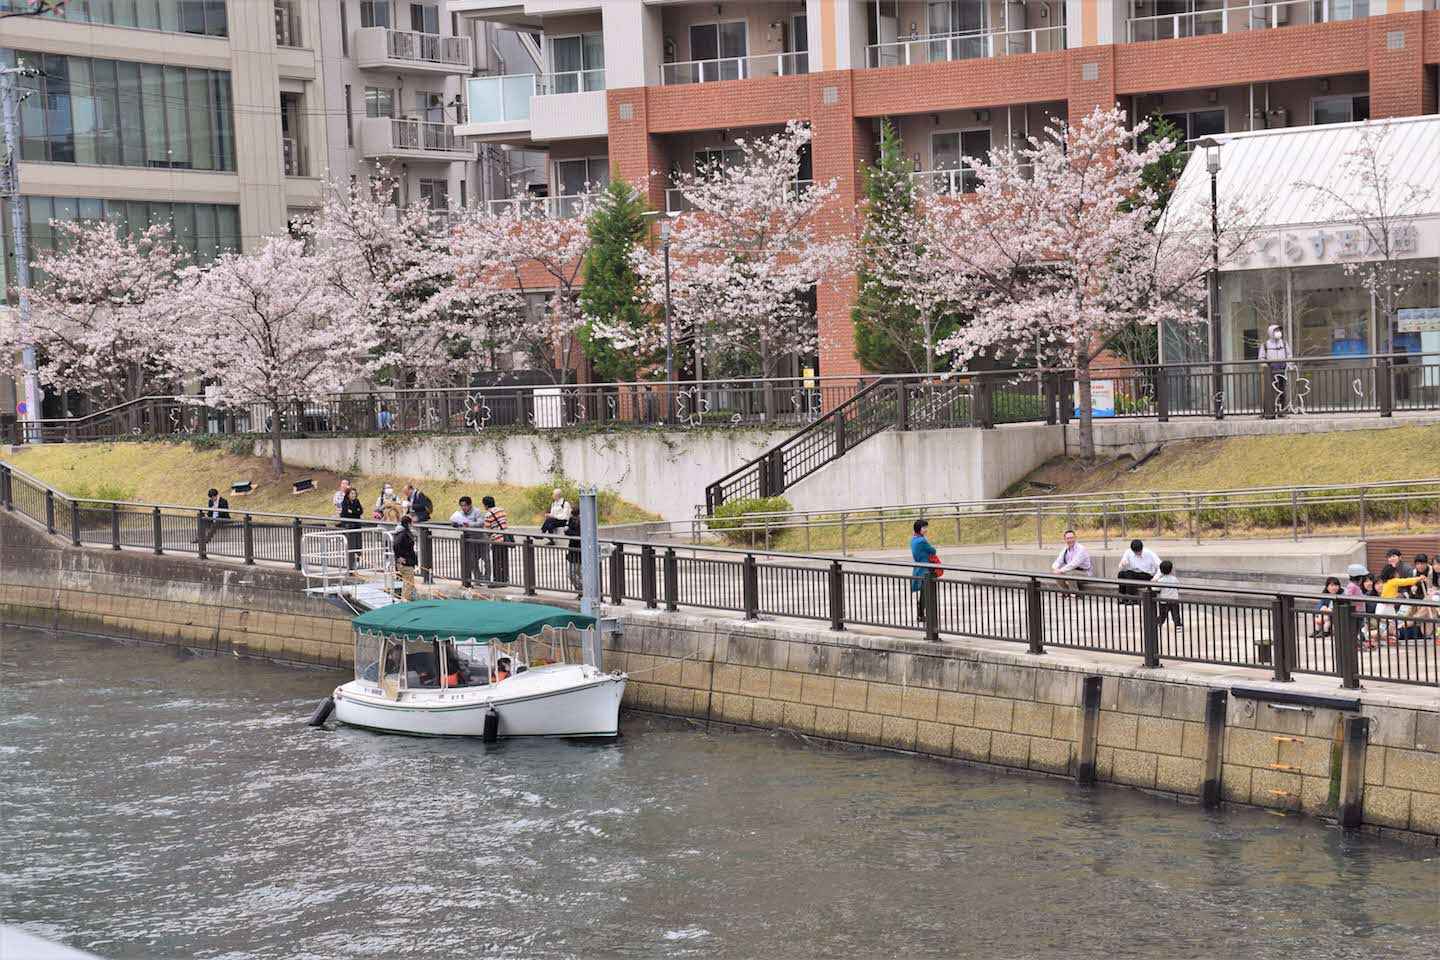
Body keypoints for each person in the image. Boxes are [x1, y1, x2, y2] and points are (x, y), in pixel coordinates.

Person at [450, 496, 486, 585]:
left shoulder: (477, 512)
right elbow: (460, 524)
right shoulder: (461, 513)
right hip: (469, 539)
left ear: (470, 505)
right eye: (461, 506)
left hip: (480, 538)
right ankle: (478, 579)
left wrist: (469, 524)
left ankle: (487, 579)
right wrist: (455, 524)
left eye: (465, 506)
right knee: (472, 560)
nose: (463, 508)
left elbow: (481, 523)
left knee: (486, 559)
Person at [910, 518, 940, 623]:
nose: (926, 529)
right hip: (926, 570)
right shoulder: (922, 540)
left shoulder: (913, 539)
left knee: (923, 594)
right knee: (926, 594)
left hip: (918, 568)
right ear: (919, 529)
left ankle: (920, 615)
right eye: (924, 527)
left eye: (926, 527)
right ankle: (923, 615)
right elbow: (933, 550)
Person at [1257, 324, 1290, 414]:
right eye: (1276, 331)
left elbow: (1289, 355)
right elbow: (1261, 358)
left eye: (1279, 330)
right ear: (1271, 332)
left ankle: (1282, 410)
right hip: (1271, 370)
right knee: (1271, 391)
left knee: (1282, 390)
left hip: (1282, 369)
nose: (1278, 333)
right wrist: (1266, 367)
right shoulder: (1265, 345)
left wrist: (1289, 365)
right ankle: (1270, 410)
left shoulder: (1284, 343)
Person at [1050, 529, 1092, 599]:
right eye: (1068, 538)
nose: (1070, 540)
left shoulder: (1081, 549)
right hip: (1070, 571)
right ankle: (1065, 592)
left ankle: (1075, 594)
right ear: (1065, 540)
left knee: (1069, 573)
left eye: (1071, 538)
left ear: (1075, 538)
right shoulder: (1065, 550)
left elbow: (1074, 564)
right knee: (1058, 574)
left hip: (1084, 574)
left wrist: (1061, 570)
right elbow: (1058, 561)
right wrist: (1055, 569)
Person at [1117, 539, 1161, 604]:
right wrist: (1123, 565)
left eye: (1139, 552)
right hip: (1133, 574)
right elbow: (1120, 568)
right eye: (1135, 552)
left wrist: (1156, 578)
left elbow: (1160, 565)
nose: (1138, 554)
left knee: (1129, 574)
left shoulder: (1149, 553)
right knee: (1121, 574)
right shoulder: (1128, 552)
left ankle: (1132, 598)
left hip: (1147, 575)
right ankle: (1122, 596)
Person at [482, 495, 511, 585]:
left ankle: (497, 580)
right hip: (505, 538)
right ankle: (505, 578)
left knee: (497, 560)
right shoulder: (501, 510)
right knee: (504, 559)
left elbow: (487, 529)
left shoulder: (488, 514)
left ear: (486, 505)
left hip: (496, 539)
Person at [391, 515, 418, 601]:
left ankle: (404, 599)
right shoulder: (403, 534)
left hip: (406, 561)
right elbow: (395, 545)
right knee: (409, 584)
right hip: (406, 562)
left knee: (406, 583)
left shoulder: (402, 533)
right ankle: (406, 601)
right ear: (408, 523)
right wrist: (399, 557)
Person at [1152, 560, 1182, 632]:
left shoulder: (1160, 580)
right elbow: (1178, 587)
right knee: (1176, 614)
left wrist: (1153, 583)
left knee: (1162, 615)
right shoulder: (1174, 579)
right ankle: (1178, 626)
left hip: (1164, 601)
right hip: (1174, 600)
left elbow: (1155, 589)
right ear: (1171, 570)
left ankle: (1158, 624)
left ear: (1161, 571)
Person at [338, 487, 364, 569]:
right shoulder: (345, 502)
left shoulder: (357, 501)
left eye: (355, 494)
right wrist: (355, 512)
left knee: (358, 543)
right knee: (351, 544)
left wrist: (353, 512)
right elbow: (346, 513)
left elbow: (360, 511)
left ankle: (358, 560)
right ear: (348, 494)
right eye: (352, 494)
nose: (354, 495)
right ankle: (351, 563)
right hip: (349, 526)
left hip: (357, 525)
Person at [565, 507, 584, 594]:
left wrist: (568, 530)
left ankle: (582, 590)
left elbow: (576, 535)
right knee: (579, 572)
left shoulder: (574, 520)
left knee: (572, 573)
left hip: (576, 551)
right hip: (577, 551)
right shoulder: (577, 520)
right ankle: (582, 590)